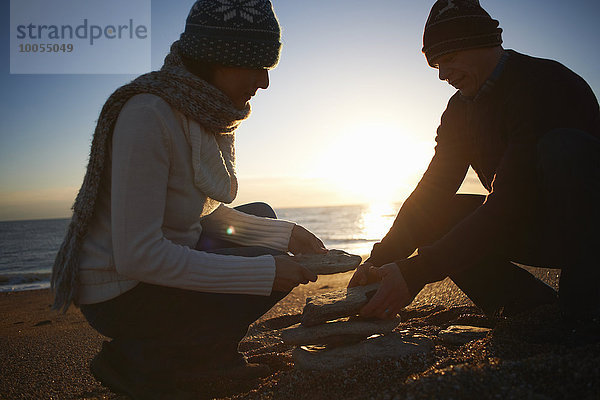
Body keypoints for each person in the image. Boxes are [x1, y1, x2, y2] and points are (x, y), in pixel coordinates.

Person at [51, 0, 326, 397]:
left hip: (155, 276)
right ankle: (144, 357)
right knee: (266, 263)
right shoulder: (148, 115)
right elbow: (139, 256)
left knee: (266, 223)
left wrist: (285, 235)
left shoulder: (200, 110)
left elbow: (199, 213)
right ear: (220, 57)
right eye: (256, 64)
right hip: (122, 294)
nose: (265, 81)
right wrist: (264, 272)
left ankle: (201, 349)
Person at [349, 0, 600, 324]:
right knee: (434, 215)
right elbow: (432, 191)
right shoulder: (459, 111)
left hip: (585, 226)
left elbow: (510, 199)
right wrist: (380, 262)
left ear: (483, 44)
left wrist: (416, 272)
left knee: (562, 147)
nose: (442, 75)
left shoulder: (545, 83)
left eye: (449, 59)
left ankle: (584, 309)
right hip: (533, 225)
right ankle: (530, 309)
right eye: (436, 64)